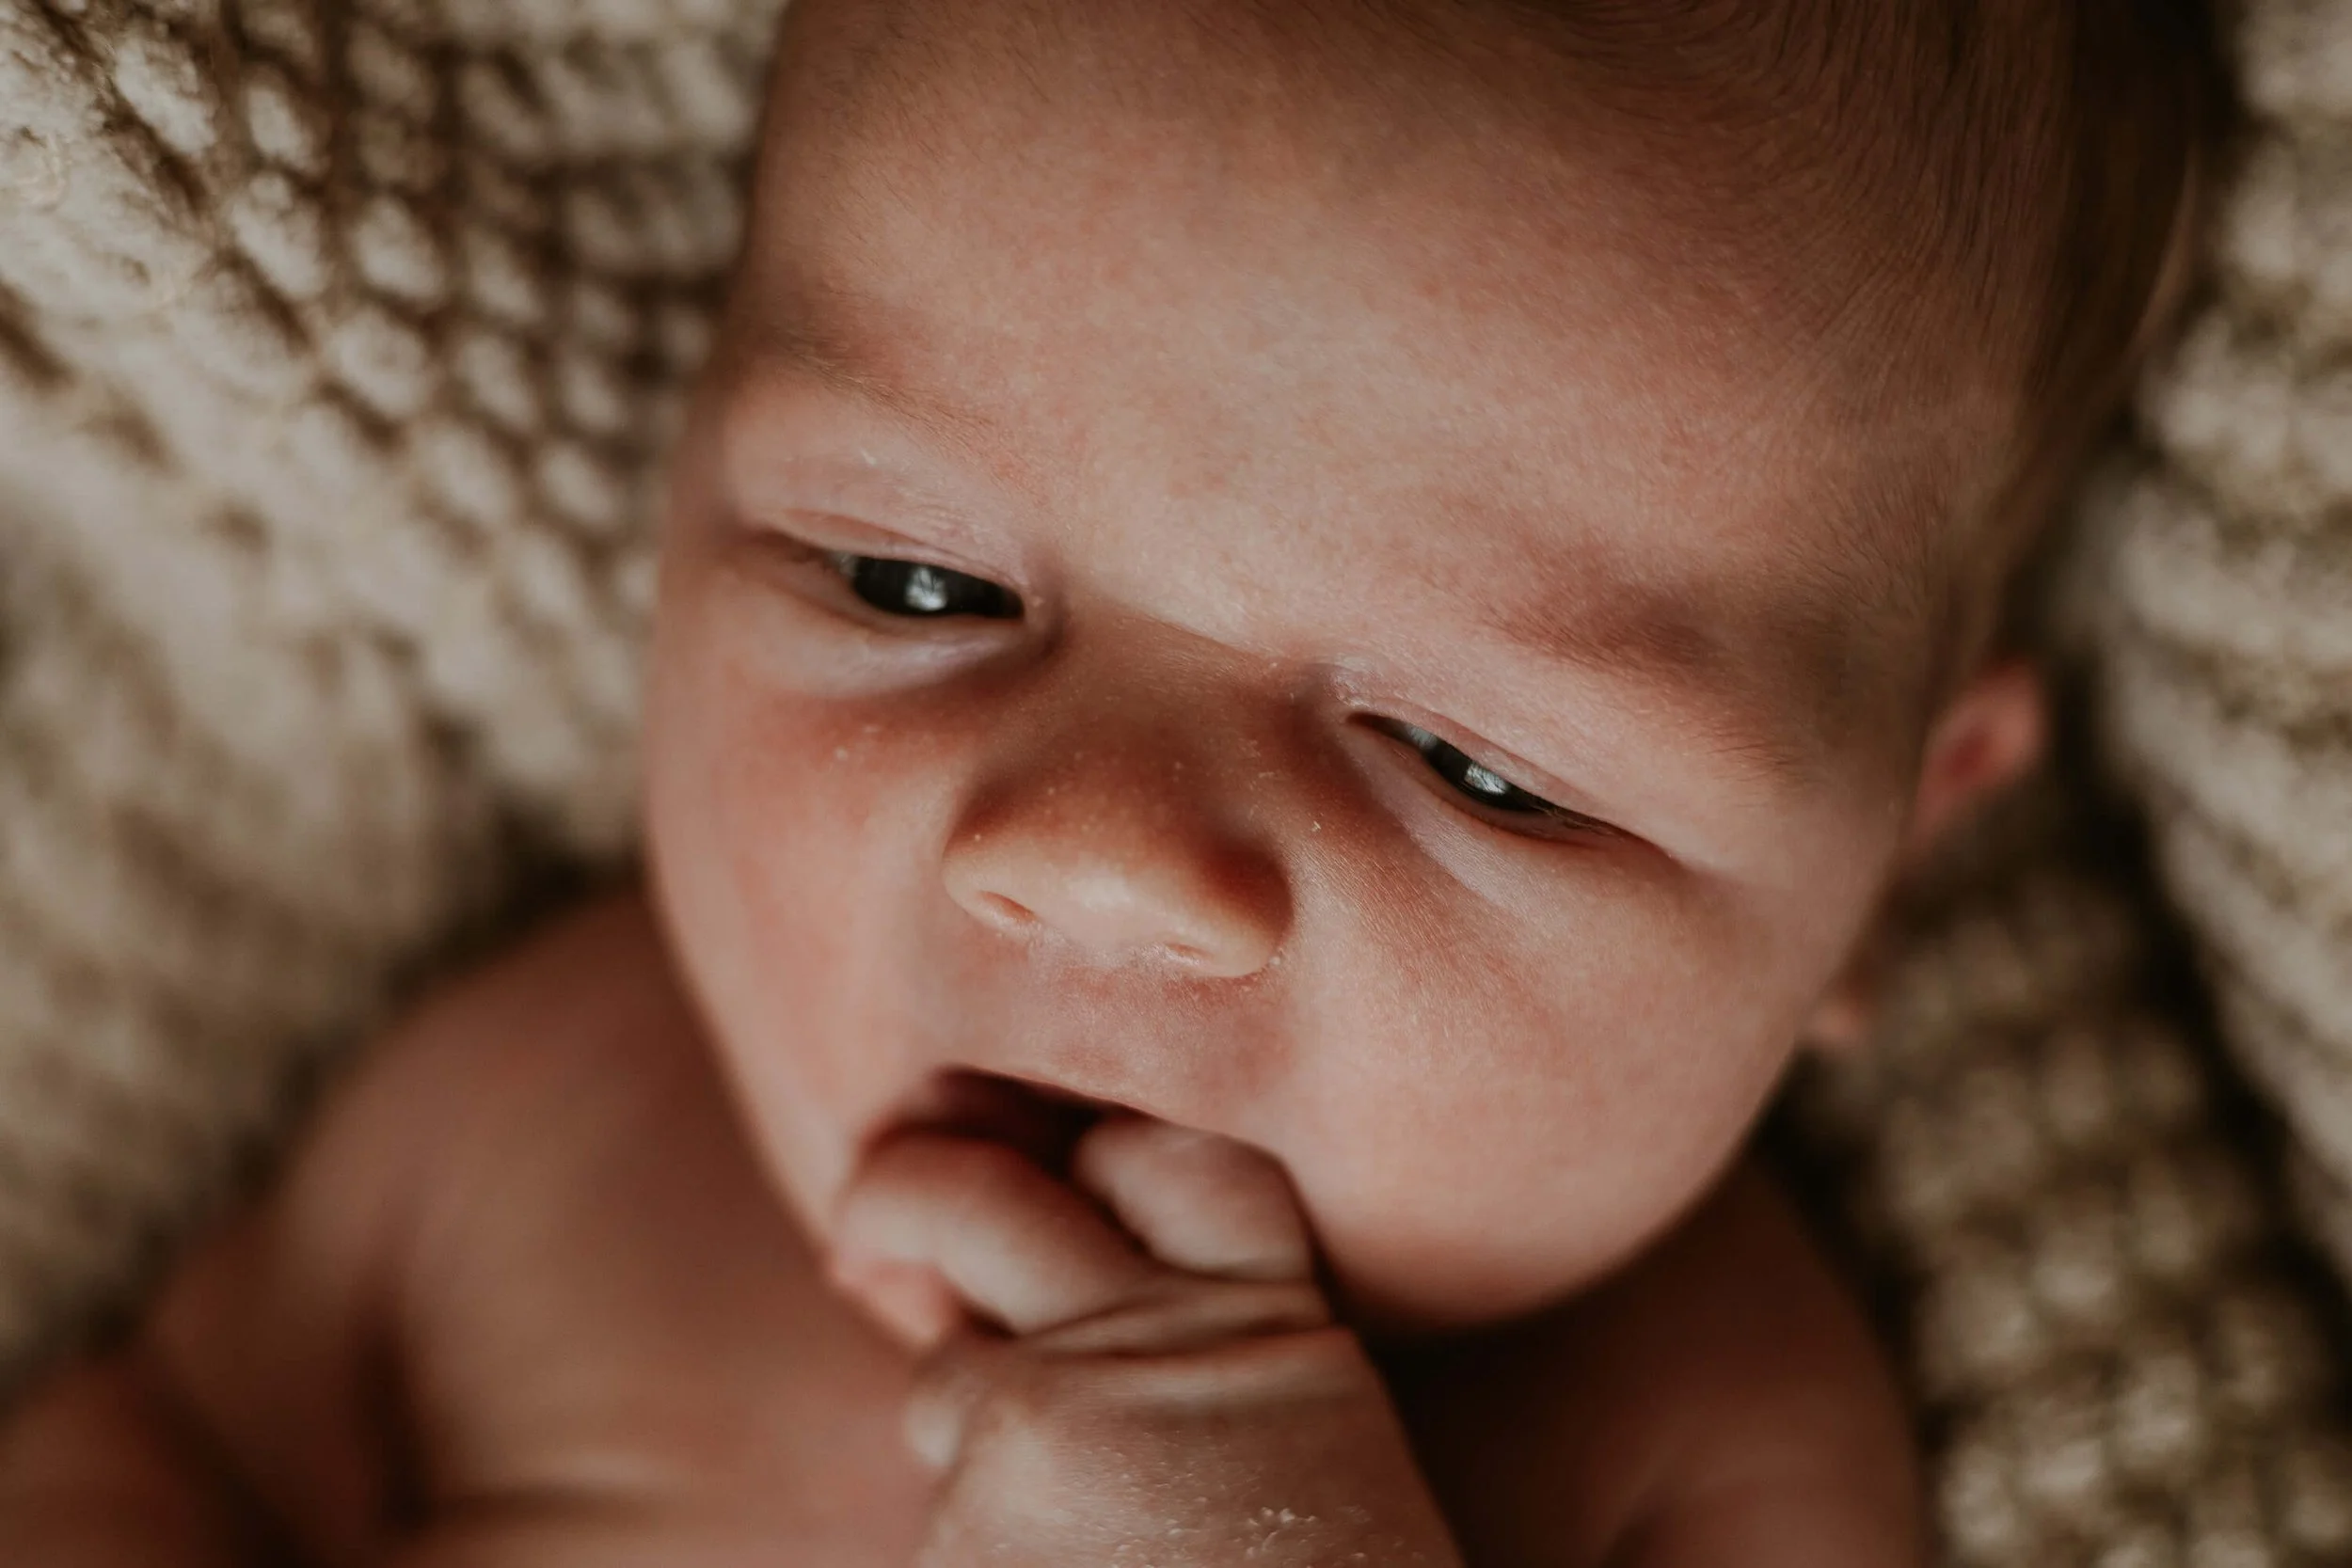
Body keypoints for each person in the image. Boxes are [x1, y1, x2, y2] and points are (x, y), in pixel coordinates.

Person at [0, 2, 2219, 1562]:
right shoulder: (557, 1118)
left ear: (1882, 873)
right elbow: (158, 1447)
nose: (1104, 864)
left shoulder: (1693, 1413)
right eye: (908, 576)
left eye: (1474, 762)